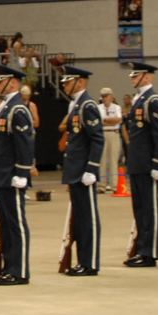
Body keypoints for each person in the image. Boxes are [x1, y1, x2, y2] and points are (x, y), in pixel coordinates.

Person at [0, 65, 35, 285]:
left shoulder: (18, 109)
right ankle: (9, 266)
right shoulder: (6, 107)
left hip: (12, 174)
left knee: (16, 223)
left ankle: (19, 270)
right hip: (2, 174)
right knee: (6, 223)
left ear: (12, 82)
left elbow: (24, 143)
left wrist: (22, 172)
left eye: (0, 81)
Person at [123, 63, 158, 269]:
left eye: (137, 75)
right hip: (137, 163)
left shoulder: (154, 101)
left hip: (148, 163)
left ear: (148, 78)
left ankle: (149, 252)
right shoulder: (139, 100)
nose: (132, 78)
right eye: (132, 75)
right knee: (139, 209)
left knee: (149, 210)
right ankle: (141, 248)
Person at [58, 66, 103, 276]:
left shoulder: (87, 105)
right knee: (79, 219)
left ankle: (90, 262)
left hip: (84, 172)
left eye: (68, 81)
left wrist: (91, 168)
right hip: (75, 171)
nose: (65, 85)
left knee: (88, 218)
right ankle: (82, 260)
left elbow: (97, 138)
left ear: (80, 82)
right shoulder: (75, 105)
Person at [97, 87, 123, 192]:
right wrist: (110, 121)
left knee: (113, 160)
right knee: (102, 160)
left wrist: (105, 120)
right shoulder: (98, 107)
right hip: (102, 133)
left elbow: (118, 120)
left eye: (106, 96)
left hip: (114, 133)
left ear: (111, 97)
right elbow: (98, 122)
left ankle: (114, 185)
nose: (104, 99)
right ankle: (101, 185)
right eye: (103, 96)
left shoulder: (116, 107)